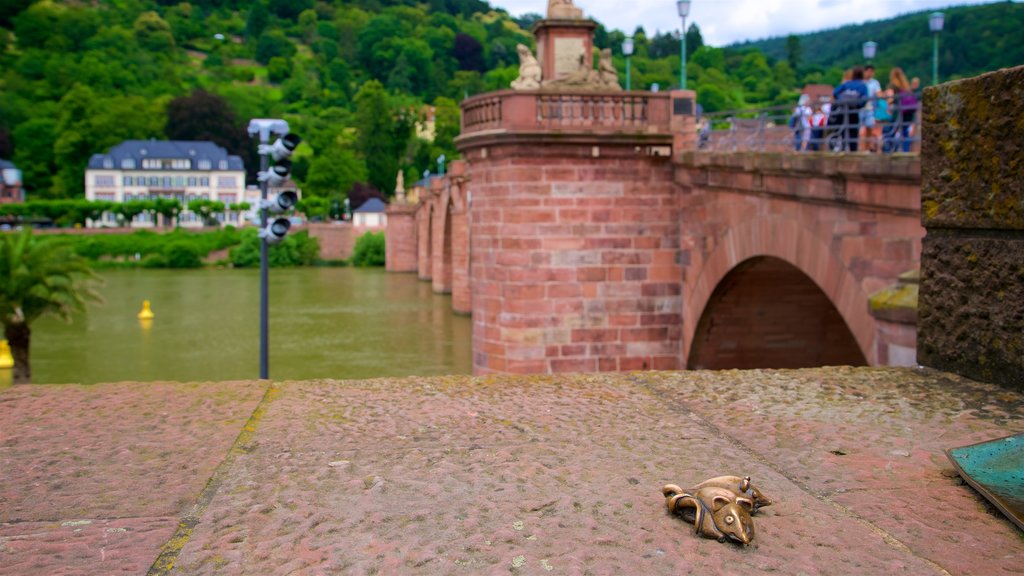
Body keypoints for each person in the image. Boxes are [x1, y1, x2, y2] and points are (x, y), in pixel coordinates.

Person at [832, 66, 868, 152]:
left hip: (843, 110)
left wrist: (840, 100)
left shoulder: (847, 84)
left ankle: (843, 148)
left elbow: (835, 92)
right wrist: (858, 105)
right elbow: (864, 99)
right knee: (853, 131)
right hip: (853, 111)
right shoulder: (862, 86)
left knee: (843, 130)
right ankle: (853, 150)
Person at [890, 67, 918, 152]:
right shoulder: (906, 87)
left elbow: (892, 99)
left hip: (900, 113)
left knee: (892, 131)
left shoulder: (894, 87)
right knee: (905, 132)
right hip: (908, 112)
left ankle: (892, 150)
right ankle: (906, 150)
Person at [858, 65, 882, 152]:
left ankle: (867, 148)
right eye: (868, 71)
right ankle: (860, 147)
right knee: (859, 128)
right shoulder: (860, 82)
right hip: (860, 107)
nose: (869, 73)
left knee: (869, 127)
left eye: (871, 72)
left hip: (870, 107)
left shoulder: (875, 83)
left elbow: (879, 94)